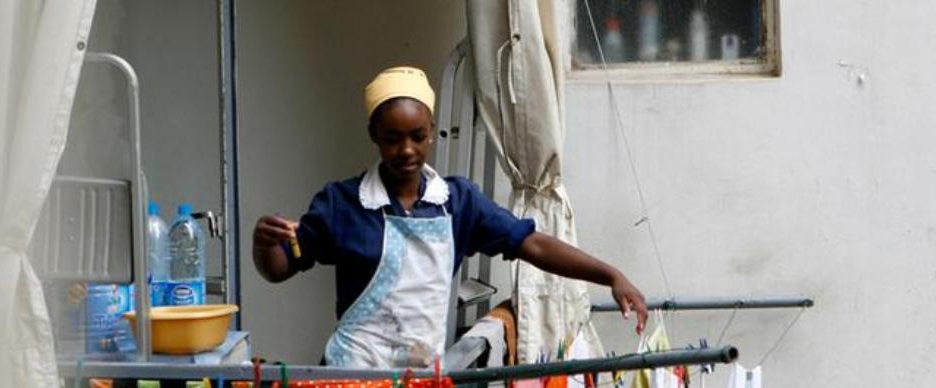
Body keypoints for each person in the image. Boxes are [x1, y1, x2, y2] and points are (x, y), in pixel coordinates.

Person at [253, 66, 647, 368]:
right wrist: (264, 244)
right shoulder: (343, 203)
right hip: (353, 377)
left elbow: (532, 243)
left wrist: (610, 275)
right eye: (393, 138)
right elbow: (280, 268)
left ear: (431, 132)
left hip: (423, 381)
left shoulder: (458, 203)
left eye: (418, 136)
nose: (407, 149)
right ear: (373, 134)